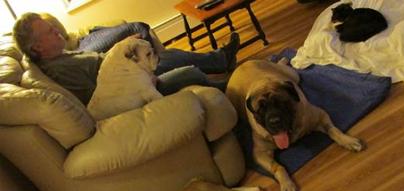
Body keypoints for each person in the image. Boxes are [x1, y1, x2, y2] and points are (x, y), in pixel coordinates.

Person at [12, 12, 240, 105]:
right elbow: (98, 95)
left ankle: (220, 61)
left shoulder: (61, 55)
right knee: (186, 72)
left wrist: (123, 50)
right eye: (49, 31)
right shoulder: (60, 71)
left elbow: (100, 64)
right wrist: (134, 71)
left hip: (126, 71)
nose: (56, 30)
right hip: (131, 85)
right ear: (38, 46)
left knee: (161, 54)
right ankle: (232, 89)